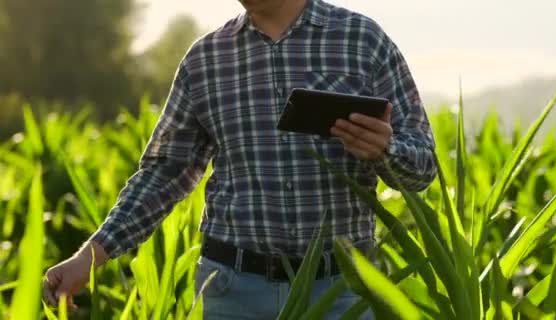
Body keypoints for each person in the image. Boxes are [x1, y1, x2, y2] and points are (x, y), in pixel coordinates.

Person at [43, 0, 437, 318]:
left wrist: (386, 151)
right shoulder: (205, 60)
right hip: (233, 292)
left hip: (340, 293)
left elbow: (423, 165)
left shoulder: (362, 41)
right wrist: (88, 257)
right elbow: (163, 175)